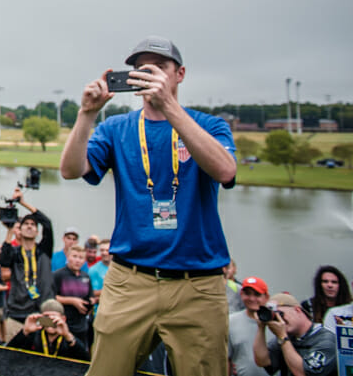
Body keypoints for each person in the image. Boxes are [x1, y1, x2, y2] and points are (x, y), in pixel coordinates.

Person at [60, 36, 237, 376]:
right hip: (130, 279)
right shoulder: (117, 128)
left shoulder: (209, 125)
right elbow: (70, 170)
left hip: (197, 284)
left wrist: (169, 106)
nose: (146, 75)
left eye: (157, 68)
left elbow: (226, 171)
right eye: (140, 69)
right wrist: (87, 113)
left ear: (179, 74)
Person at [0, 189, 55, 340]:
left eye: (33, 224)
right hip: (17, 311)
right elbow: (4, 260)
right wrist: (9, 230)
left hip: (43, 310)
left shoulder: (44, 250)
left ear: (37, 231)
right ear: (20, 229)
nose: (30, 226)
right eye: (26, 224)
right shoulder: (15, 253)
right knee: (13, 352)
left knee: (43, 354)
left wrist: (23, 203)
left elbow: (47, 224)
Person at [253, 293, 337, 376]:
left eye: (281, 314)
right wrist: (261, 327)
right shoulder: (287, 336)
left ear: (297, 310)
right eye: (275, 317)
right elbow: (263, 361)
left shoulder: (326, 339)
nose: (280, 320)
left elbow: (302, 373)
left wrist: (283, 338)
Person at [6, 299, 90, 361]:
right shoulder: (34, 335)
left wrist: (68, 336)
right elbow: (6, 354)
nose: (50, 321)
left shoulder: (69, 338)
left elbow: (85, 360)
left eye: (54, 317)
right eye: (46, 317)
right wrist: (25, 332)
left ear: (63, 319)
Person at [228, 276, 275, 376]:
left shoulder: (277, 322)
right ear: (241, 294)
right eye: (247, 294)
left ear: (266, 297)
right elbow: (226, 358)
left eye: (257, 294)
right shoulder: (230, 321)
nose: (252, 298)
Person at [53, 244, 95, 348]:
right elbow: (51, 297)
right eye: (74, 256)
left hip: (82, 325)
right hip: (64, 324)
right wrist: (72, 301)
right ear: (68, 257)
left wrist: (89, 303)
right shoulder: (58, 275)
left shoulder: (85, 276)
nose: (77, 260)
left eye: (81, 258)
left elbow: (91, 297)